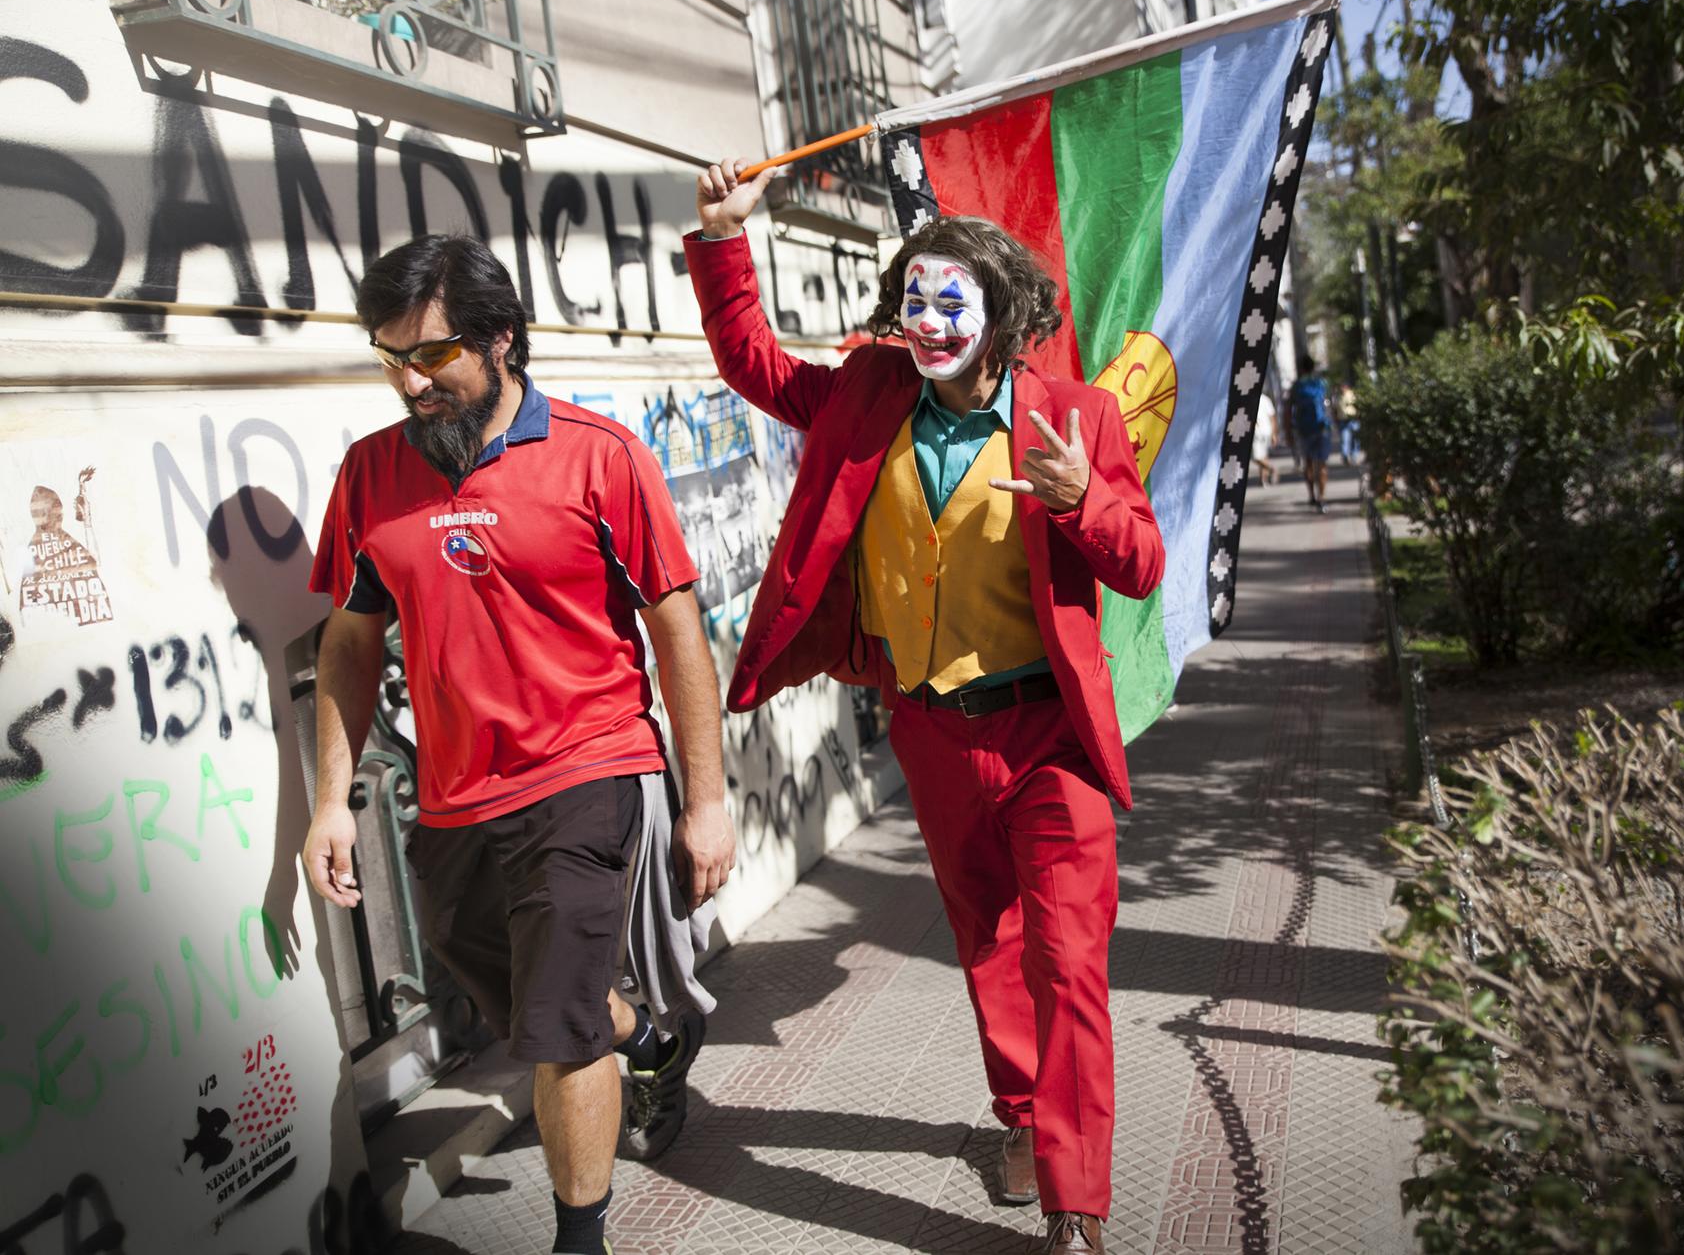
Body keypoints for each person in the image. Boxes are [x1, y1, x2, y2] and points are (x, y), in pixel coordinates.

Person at [688, 160, 1164, 1255]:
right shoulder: (867, 394)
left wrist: (1079, 498)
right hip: (932, 728)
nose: (928, 318)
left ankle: (1075, 1197)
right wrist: (721, 241)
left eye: (951, 300)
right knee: (989, 940)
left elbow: (1138, 562)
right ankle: (1017, 1116)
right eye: (914, 297)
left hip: (1050, 735)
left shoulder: (1077, 417)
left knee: (1068, 957)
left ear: (1002, 313)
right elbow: (753, 364)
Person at [300, 236, 736, 1255]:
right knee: (523, 990)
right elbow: (350, 643)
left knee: (557, 1024)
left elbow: (677, 631)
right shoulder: (370, 474)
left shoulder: (599, 453)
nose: (412, 381)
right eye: (390, 358)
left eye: (435, 354)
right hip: (453, 798)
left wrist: (703, 799)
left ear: (501, 339)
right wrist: (330, 800)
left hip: (588, 765)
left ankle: (579, 1237)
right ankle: (653, 1030)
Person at [1287, 361, 1335, 511]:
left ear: (1301, 368)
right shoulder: (1322, 383)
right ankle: (1322, 496)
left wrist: (1288, 430)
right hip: (1322, 428)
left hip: (1304, 429)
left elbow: (1289, 409)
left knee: (1307, 463)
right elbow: (1330, 404)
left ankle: (1312, 495)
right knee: (1322, 464)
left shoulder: (1296, 386)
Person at [1336, 379, 1362, 465]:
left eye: (1343, 387)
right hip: (1343, 421)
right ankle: (1345, 456)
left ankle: (1354, 456)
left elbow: (1359, 406)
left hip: (1353, 420)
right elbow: (1335, 409)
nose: (1341, 388)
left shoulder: (1353, 395)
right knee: (1345, 439)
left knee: (1355, 439)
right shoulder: (1338, 397)